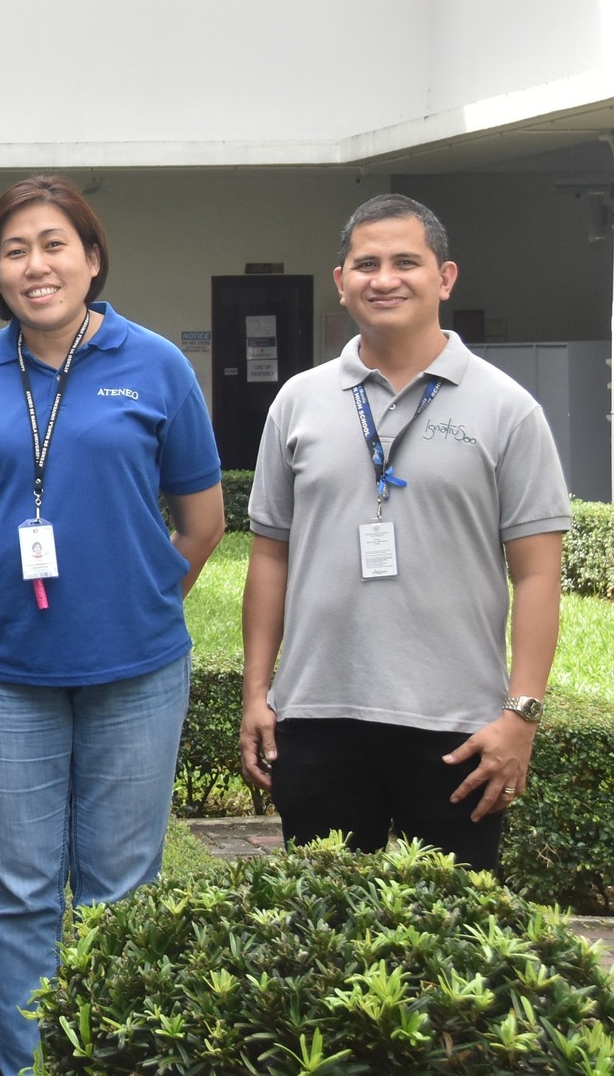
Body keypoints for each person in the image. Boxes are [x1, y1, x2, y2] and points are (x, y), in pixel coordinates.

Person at [0, 176, 225, 1076]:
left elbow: (202, 520)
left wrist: (133, 600)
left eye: (52, 245)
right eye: (11, 251)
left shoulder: (155, 366)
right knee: (23, 888)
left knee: (123, 887)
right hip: (5, 675)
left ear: (90, 258)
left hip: (136, 670)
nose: (32, 265)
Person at [241, 195, 567, 870]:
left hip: (456, 728)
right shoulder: (298, 401)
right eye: (366, 264)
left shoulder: (508, 409)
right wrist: (256, 694)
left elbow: (537, 571)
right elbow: (270, 557)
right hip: (317, 715)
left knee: (450, 951)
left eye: (405, 262)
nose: (383, 278)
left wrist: (522, 716)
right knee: (320, 946)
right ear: (340, 281)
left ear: (445, 278)